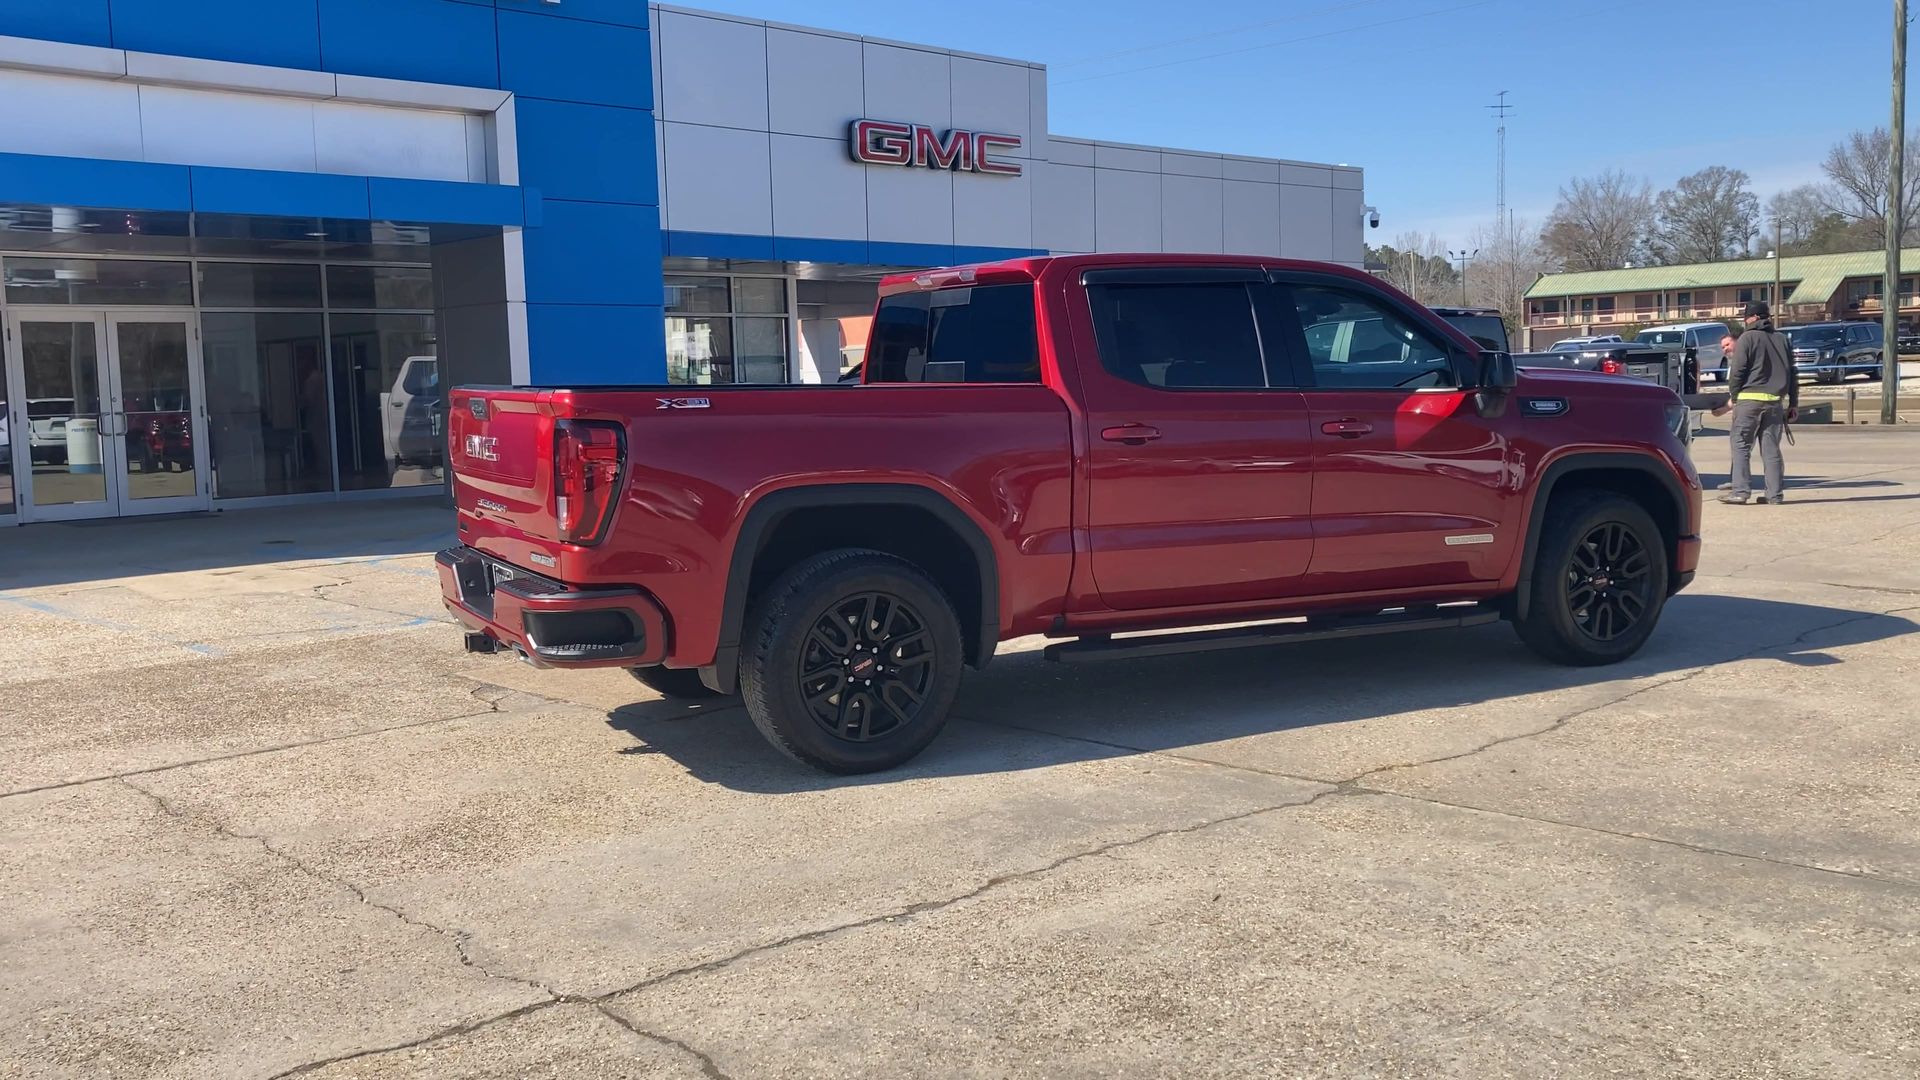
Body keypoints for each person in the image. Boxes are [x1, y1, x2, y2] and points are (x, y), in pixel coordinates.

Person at [1717, 302, 1797, 505]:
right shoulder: (1782, 339)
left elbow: (1738, 371)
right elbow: (1792, 373)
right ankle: (1774, 495)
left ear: (1752, 318)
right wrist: (1793, 403)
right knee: (1771, 450)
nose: (1745, 322)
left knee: (1741, 446)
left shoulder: (1747, 338)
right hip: (1775, 403)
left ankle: (1740, 492)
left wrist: (1735, 396)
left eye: (1745, 319)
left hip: (1749, 401)